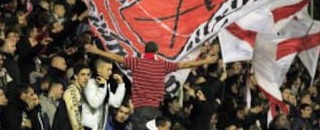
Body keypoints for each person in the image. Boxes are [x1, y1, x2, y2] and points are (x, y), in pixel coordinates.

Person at [85, 41, 219, 130]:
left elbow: (117, 57)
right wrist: (205, 60)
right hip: (155, 110)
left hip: (141, 110)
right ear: (157, 51)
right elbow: (186, 64)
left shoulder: (136, 63)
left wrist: (97, 51)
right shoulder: (162, 65)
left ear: (145, 50)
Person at [82, 57, 126, 130]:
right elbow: (94, 104)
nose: (110, 72)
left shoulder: (104, 85)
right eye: (108, 69)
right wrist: (102, 88)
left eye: (111, 69)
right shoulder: (90, 84)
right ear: (99, 70)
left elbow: (115, 103)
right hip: (87, 128)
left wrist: (121, 84)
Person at [52, 63, 91, 130]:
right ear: (75, 76)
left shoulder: (79, 93)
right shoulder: (71, 92)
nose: (86, 78)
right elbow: (76, 124)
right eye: (83, 74)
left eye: (88, 75)